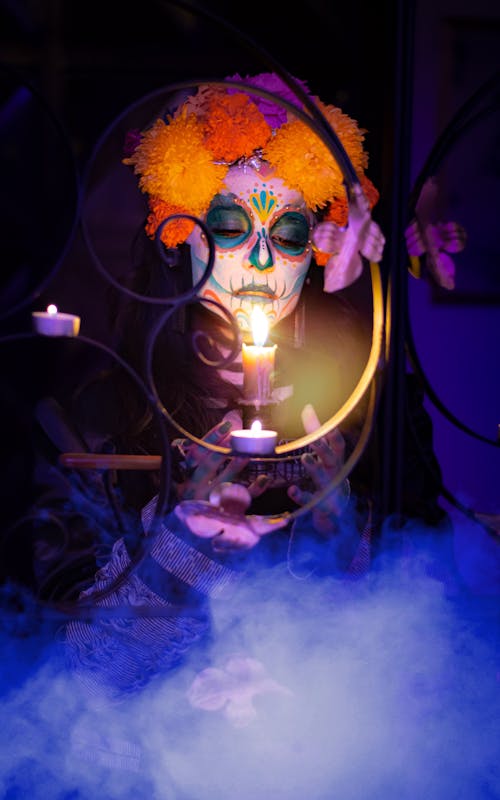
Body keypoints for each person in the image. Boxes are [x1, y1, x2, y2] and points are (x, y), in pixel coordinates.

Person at [28, 74, 450, 720]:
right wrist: (178, 551)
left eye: (285, 234)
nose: (258, 262)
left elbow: (434, 618)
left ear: (315, 254)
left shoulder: (367, 403)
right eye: (229, 227)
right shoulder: (102, 414)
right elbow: (58, 676)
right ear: (183, 237)